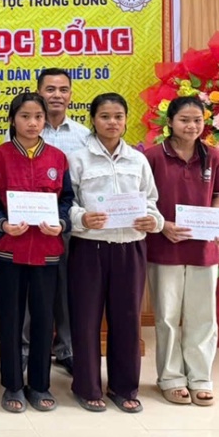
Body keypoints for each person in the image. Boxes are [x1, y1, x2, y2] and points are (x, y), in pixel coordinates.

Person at [68, 93, 163, 413]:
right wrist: (82, 218)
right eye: (105, 116)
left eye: (118, 116)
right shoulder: (78, 159)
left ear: (125, 120)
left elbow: (151, 201)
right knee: (86, 319)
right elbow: (67, 202)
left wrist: (153, 221)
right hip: (89, 247)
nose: (112, 122)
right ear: (93, 120)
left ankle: (123, 387)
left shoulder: (138, 160)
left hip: (130, 248)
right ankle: (86, 387)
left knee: (127, 319)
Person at [0, 92, 74, 414]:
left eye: (38, 117)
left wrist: (61, 222)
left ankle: (39, 384)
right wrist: (2, 223)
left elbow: (67, 199)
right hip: (10, 250)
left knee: (43, 318)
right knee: (11, 318)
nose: (32, 123)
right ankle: (12, 384)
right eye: (25, 116)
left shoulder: (57, 158)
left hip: (47, 250)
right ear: (13, 120)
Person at [145, 96, 219, 407]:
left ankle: (201, 377)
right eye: (184, 120)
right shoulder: (153, 156)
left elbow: (217, 196)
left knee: (203, 315)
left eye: (197, 121)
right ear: (170, 122)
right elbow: (145, 200)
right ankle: (171, 378)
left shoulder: (213, 156)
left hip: (203, 248)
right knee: (166, 316)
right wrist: (163, 225)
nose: (192, 126)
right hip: (165, 245)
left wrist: (217, 223)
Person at [20, 68, 91, 376]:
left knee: (66, 289)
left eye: (63, 89)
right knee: (28, 292)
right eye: (50, 89)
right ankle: (25, 349)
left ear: (71, 94)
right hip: (25, 228)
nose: (57, 95)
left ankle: (66, 349)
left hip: (67, 224)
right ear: (39, 92)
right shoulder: (22, 131)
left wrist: (67, 220)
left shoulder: (83, 136)